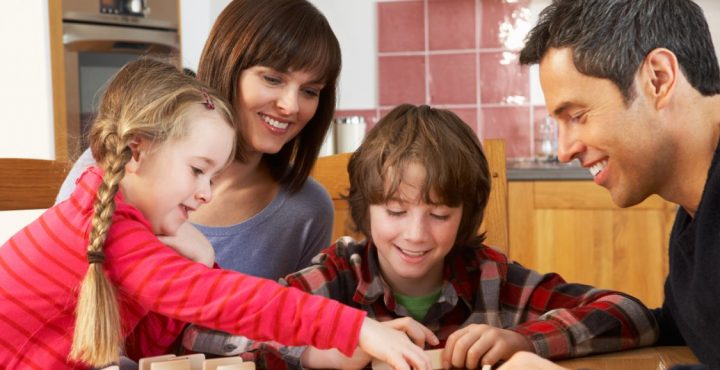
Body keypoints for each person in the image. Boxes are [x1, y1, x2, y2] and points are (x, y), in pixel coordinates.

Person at [0, 59, 433, 370]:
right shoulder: (111, 232)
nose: (206, 194)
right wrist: (358, 329)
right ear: (136, 152)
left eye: (214, 176)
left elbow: (151, 341)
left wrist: (196, 260)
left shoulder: (121, 224)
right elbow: (234, 301)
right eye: (196, 170)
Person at [181, 104, 659, 369]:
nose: (415, 234)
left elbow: (633, 314)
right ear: (366, 209)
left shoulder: (491, 276)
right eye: (394, 210)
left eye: (439, 214)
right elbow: (202, 334)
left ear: (465, 216)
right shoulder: (339, 275)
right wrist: (330, 346)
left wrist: (523, 342)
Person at [498, 0, 720, 369]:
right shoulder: (699, 208)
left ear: (658, 78)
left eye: (577, 116)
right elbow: (680, 328)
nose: (563, 151)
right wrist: (528, 339)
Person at [56, 0, 338, 281]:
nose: (291, 106)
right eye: (273, 79)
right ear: (227, 65)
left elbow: (294, 318)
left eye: (310, 91)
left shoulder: (307, 211)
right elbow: (61, 287)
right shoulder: (119, 159)